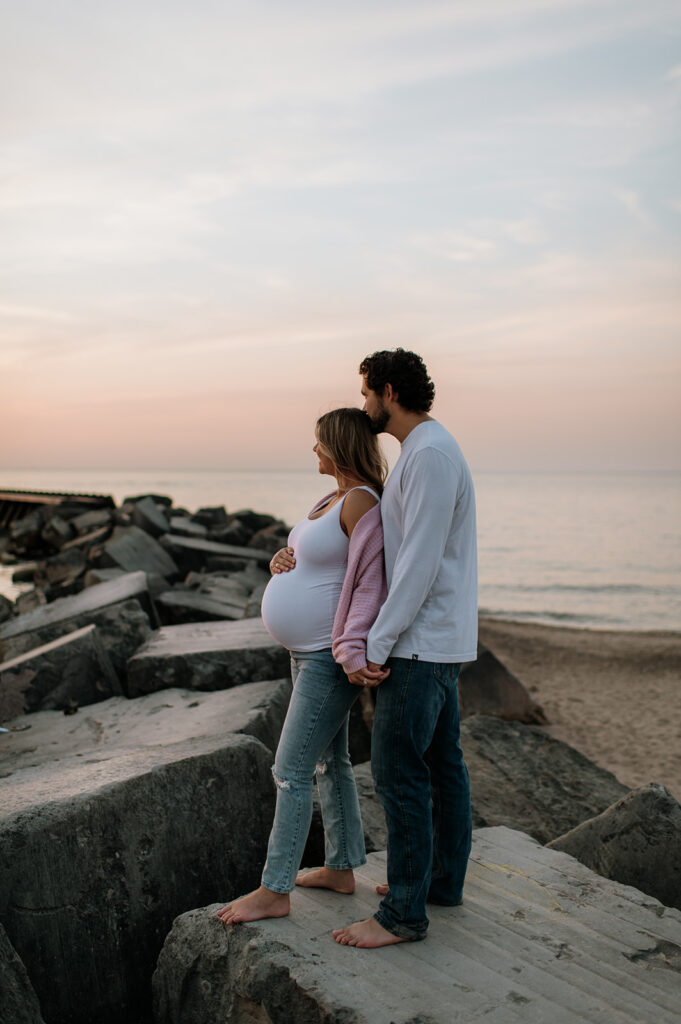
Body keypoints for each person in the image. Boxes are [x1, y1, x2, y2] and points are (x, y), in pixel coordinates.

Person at [217, 407, 389, 925]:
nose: (313, 450)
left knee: (288, 771)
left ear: (337, 446)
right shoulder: (331, 499)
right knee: (328, 762)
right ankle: (340, 868)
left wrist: (354, 651)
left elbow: (372, 581)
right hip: (304, 652)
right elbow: (315, 557)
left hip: (327, 658)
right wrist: (282, 561)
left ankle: (274, 890)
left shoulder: (362, 501)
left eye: (319, 442)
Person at [333, 349, 478, 948]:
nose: (363, 402)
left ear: (387, 391)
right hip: (436, 642)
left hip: (419, 647)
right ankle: (434, 885)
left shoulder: (431, 455)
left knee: (400, 775)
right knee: (443, 770)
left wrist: (377, 642)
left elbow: (416, 563)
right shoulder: (426, 451)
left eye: (365, 392)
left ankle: (404, 916)